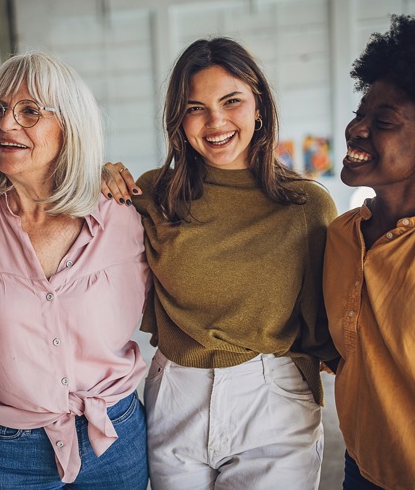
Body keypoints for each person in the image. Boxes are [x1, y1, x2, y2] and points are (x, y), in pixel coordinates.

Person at [102, 37, 338, 489]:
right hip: (176, 390)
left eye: (232, 101)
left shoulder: (306, 205)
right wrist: (96, 173)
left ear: (259, 106)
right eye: (196, 108)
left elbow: (332, 323)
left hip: (272, 396)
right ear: (179, 120)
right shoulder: (153, 194)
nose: (215, 122)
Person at [0, 51, 150, 489]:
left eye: (29, 111)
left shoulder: (124, 217)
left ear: (71, 126)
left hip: (113, 437)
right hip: (3, 453)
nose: (6, 124)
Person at [323, 14, 415, 490]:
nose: (356, 129)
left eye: (382, 122)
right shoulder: (341, 237)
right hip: (360, 464)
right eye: (361, 112)